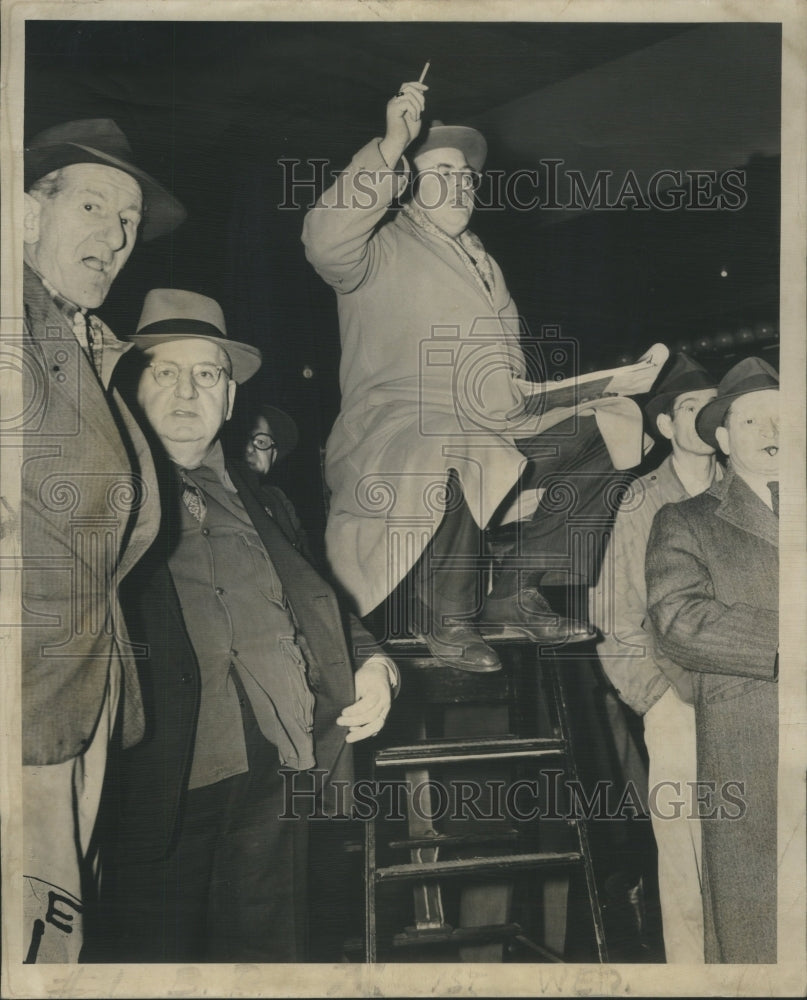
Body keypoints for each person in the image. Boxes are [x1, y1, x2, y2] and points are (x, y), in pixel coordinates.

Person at [303, 80, 659, 672]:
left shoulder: (485, 264)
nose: (462, 184)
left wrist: (590, 389)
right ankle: (449, 614)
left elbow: (507, 383)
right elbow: (323, 239)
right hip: (398, 436)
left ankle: (516, 589)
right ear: (407, 187)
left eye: (467, 176)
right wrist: (391, 144)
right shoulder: (378, 248)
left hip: (491, 426)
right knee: (457, 441)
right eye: (441, 172)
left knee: (614, 423)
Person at [94, 289, 399, 962]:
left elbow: (318, 601)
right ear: (132, 386)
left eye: (206, 374)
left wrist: (373, 660)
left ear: (229, 399)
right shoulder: (102, 493)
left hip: (278, 763)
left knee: (270, 953)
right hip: (156, 774)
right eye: (165, 372)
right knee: (150, 958)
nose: (186, 391)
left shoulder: (265, 498)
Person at [18, 118, 184, 962]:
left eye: (127, 222)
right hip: (27, 691)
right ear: (23, 215)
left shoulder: (81, 343)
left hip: (81, 689)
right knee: (30, 939)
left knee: (55, 931)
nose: (116, 237)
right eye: (93, 206)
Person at [646, 356, 779, 964]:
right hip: (750, 741)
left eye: (783, 418)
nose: (773, 433)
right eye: (753, 421)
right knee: (756, 926)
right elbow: (677, 622)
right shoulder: (686, 520)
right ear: (723, 440)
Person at [590, 354, 719, 963]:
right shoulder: (644, 501)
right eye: (691, 408)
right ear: (665, 425)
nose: (707, 419)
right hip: (679, 701)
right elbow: (615, 617)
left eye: (716, 407)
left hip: (751, 697)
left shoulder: (748, 489)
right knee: (686, 855)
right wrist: (659, 701)